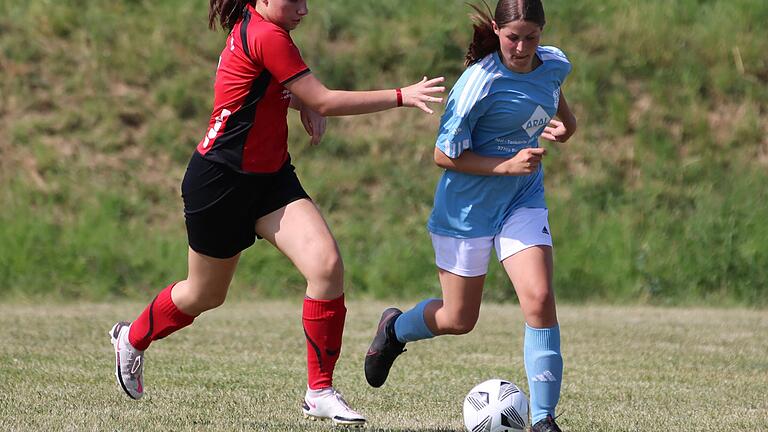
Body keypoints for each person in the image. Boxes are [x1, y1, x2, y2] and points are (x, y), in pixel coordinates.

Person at [108, 0, 444, 427]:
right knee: (204, 294)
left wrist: (296, 100)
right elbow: (322, 100)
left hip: (270, 180)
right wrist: (401, 95)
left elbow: (263, 89)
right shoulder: (266, 35)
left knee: (326, 266)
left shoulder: (264, 28)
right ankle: (131, 338)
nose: (304, 9)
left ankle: (319, 392)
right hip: (220, 182)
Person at [363, 1, 576, 431]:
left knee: (538, 297)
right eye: (512, 37)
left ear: (542, 33)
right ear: (497, 30)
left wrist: (564, 127)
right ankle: (395, 330)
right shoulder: (478, 83)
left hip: (521, 198)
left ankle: (543, 419)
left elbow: (557, 103)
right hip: (466, 209)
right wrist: (504, 165)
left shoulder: (554, 63)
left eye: (530, 37)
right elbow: (443, 155)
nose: (521, 47)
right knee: (459, 319)